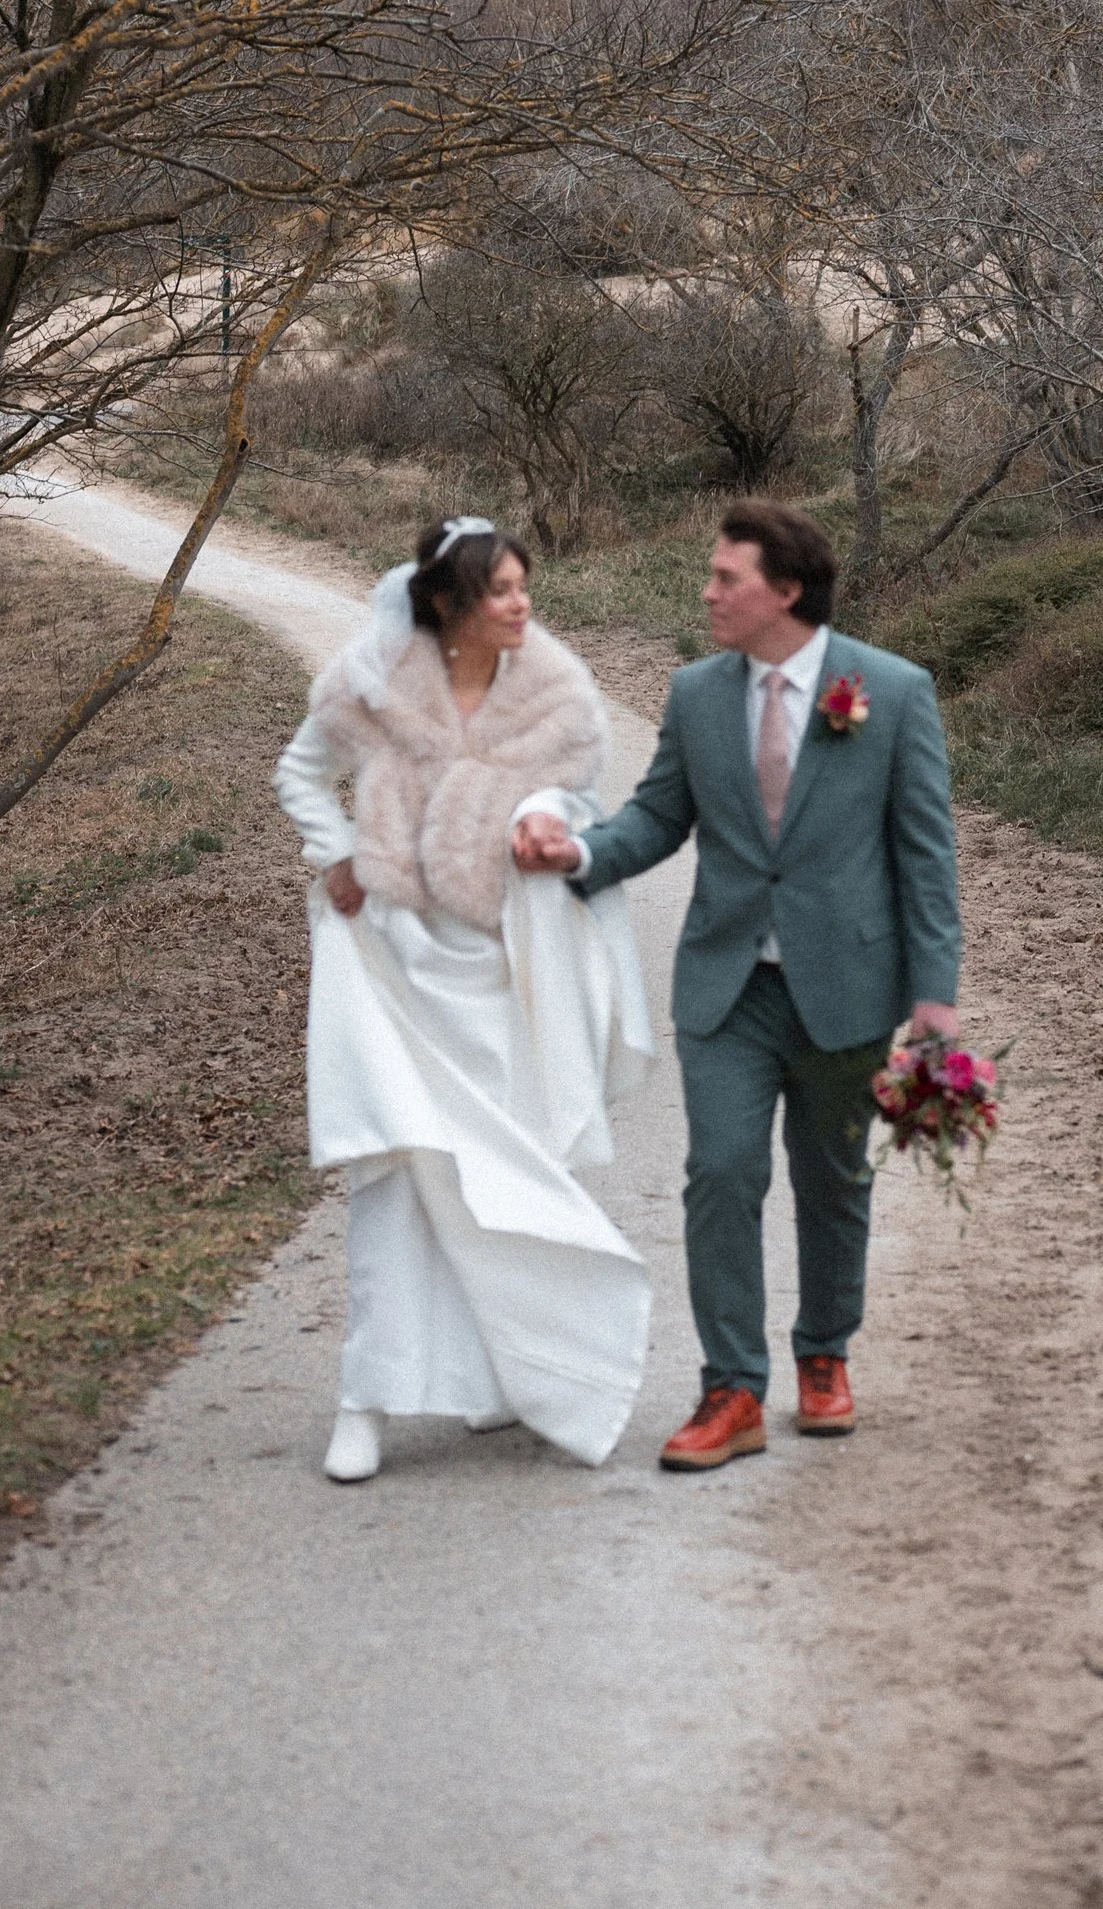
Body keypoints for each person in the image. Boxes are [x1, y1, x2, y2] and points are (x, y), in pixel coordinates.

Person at [514, 498, 960, 1471]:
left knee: (832, 1180)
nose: (707, 591)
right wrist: (576, 852)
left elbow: (924, 856)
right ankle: (730, 1389)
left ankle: (823, 1356)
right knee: (719, 1173)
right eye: (710, 576)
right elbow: (654, 818)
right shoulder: (694, 695)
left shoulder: (889, 692)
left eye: (727, 578)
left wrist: (933, 998)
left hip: (845, 984)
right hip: (726, 985)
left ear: (785, 591)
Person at [274, 515, 653, 1483]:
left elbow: (576, 799)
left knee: (501, 1175)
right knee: (399, 1183)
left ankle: (509, 1374)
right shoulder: (375, 683)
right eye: (500, 591)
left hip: (502, 969)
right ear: (448, 604)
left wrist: (539, 816)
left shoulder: (558, 697)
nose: (521, 604)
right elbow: (302, 774)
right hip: (392, 964)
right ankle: (367, 1399)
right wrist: (339, 855)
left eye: (525, 586)